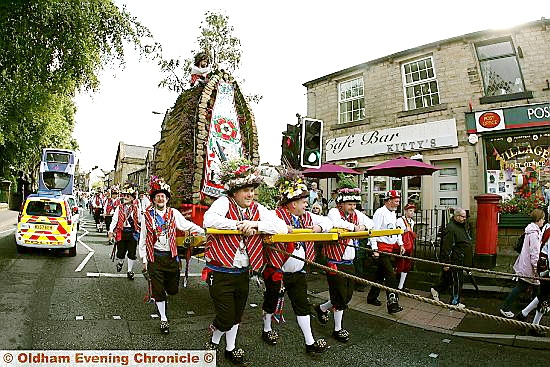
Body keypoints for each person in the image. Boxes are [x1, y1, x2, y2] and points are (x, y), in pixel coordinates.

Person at [202, 158, 287, 365]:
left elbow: (281, 227)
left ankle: (230, 348)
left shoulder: (257, 209)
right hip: (220, 271)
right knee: (225, 315)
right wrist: (240, 225)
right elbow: (208, 220)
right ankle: (214, 340)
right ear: (234, 192)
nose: (250, 194)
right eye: (245, 190)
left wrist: (255, 225)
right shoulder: (223, 202)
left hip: (242, 272)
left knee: (237, 314)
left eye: (252, 190)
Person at [261, 169, 330, 353]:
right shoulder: (274, 215)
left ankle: (309, 342)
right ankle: (267, 328)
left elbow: (328, 222)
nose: (307, 205)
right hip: (276, 268)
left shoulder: (307, 216)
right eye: (304, 202)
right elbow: (264, 223)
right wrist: (284, 229)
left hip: (297, 271)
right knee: (271, 301)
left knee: (302, 304)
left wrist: (319, 226)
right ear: (292, 204)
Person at [138, 176, 204, 335]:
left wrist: (203, 231)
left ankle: (165, 293)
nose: (160, 198)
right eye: (157, 196)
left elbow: (186, 225)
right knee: (158, 290)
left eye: (163, 196)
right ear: (153, 199)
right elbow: (142, 237)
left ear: (167, 199)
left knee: (173, 289)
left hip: (171, 256)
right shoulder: (147, 215)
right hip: (155, 256)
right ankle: (163, 318)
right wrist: (144, 260)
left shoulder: (173, 213)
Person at [314, 174, 374, 343]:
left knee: (346, 295)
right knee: (340, 296)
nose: (353, 207)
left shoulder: (356, 214)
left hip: (348, 262)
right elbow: (336, 223)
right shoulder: (334, 211)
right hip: (334, 261)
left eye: (354, 204)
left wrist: (361, 226)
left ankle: (321, 308)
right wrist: (355, 227)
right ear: (341, 203)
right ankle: (337, 329)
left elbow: (370, 223)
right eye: (349, 204)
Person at [499, 208, 546, 318]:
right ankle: (505, 308)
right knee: (521, 287)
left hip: (526, 265)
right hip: (529, 268)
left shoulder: (531, 230)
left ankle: (533, 311)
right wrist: (537, 269)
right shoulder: (534, 234)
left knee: (535, 289)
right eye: (543, 219)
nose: (544, 221)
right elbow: (534, 254)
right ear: (538, 219)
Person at [367, 190, 405, 314]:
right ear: (389, 201)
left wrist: (400, 243)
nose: (398, 203)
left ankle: (371, 297)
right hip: (381, 248)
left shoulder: (393, 213)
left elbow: (395, 230)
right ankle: (392, 302)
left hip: (389, 247)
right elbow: (373, 231)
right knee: (390, 275)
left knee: (380, 275)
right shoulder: (380, 212)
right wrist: (374, 249)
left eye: (398, 201)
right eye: (396, 201)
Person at [430, 208, 473, 308]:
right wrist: (445, 262)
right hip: (455, 259)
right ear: (456, 216)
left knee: (449, 279)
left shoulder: (462, 226)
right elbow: (446, 246)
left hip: (461, 258)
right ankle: (454, 302)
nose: (464, 219)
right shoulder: (451, 228)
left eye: (465, 217)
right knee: (458, 281)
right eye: (462, 217)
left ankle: (436, 289)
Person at [515, 222, 550, 337]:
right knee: (545, 298)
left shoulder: (547, 227)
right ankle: (533, 325)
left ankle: (524, 314)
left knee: (543, 296)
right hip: (547, 269)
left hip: (545, 268)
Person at [108, 185, 140, 280]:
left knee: (132, 252)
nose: (125, 197)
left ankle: (129, 271)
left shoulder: (136, 208)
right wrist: (110, 231)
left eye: (128, 196)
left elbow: (140, 220)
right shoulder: (119, 208)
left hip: (132, 233)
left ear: (133, 198)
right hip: (121, 232)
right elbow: (114, 220)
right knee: (121, 252)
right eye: (125, 195)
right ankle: (121, 262)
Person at [395, 203, 417, 292]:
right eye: (410, 211)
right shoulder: (400, 220)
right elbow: (398, 233)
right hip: (402, 245)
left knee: (406, 266)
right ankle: (394, 284)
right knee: (400, 265)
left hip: (409, 246)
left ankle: (401, 286)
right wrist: (401, 244)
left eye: (413, 211)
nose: (412, 213)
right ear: (405, 211)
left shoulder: (412, 222)